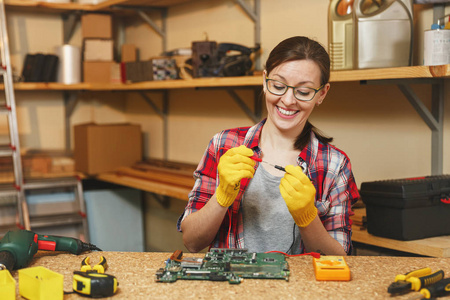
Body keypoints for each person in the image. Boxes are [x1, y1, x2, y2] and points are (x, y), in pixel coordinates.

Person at [177, 36, 360, 255]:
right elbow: (191, 242)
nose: (288, 100)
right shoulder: (224, 145)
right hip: (230, 286)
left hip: (302, 289)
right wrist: (222, 196)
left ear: (321, 94)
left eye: (303, 92)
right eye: (279, 86)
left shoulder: (334, 165)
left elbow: (340, 259)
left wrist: (307, 217)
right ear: (265, 81)